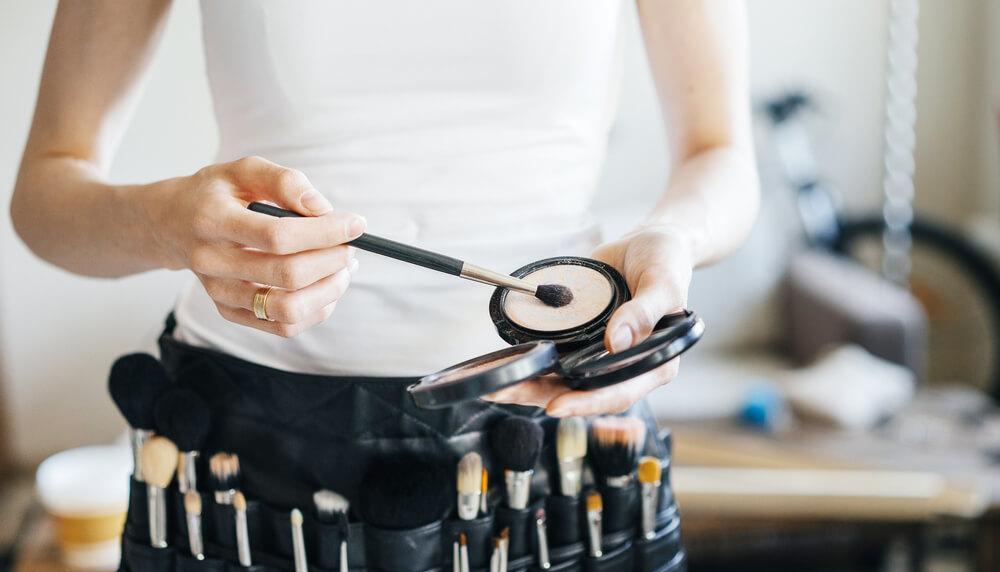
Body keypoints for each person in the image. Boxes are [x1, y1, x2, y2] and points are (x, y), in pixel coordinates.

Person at [12, 1, 756, 417]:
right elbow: (43, 201)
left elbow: (721, 155)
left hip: (557, 402)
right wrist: (165, 224)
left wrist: (673, 235)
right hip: (250, 429)